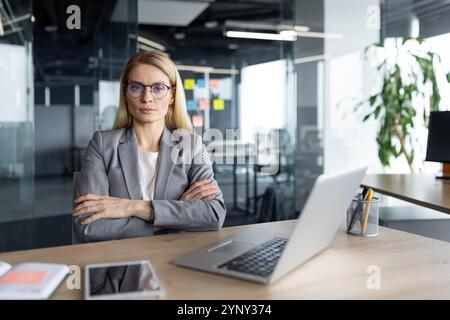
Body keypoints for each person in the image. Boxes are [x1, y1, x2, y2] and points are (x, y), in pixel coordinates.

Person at [72, 51, 226, 243]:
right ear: (126, 93)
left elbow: (214, 214)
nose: (147, 98)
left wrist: (134, 207)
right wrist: (172, 215)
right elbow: (89, 225)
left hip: (177, 261)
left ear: (172, 95)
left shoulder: (191, 146)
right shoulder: (102, 145)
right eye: (136, 87)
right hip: (122, 266)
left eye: (159, 88)